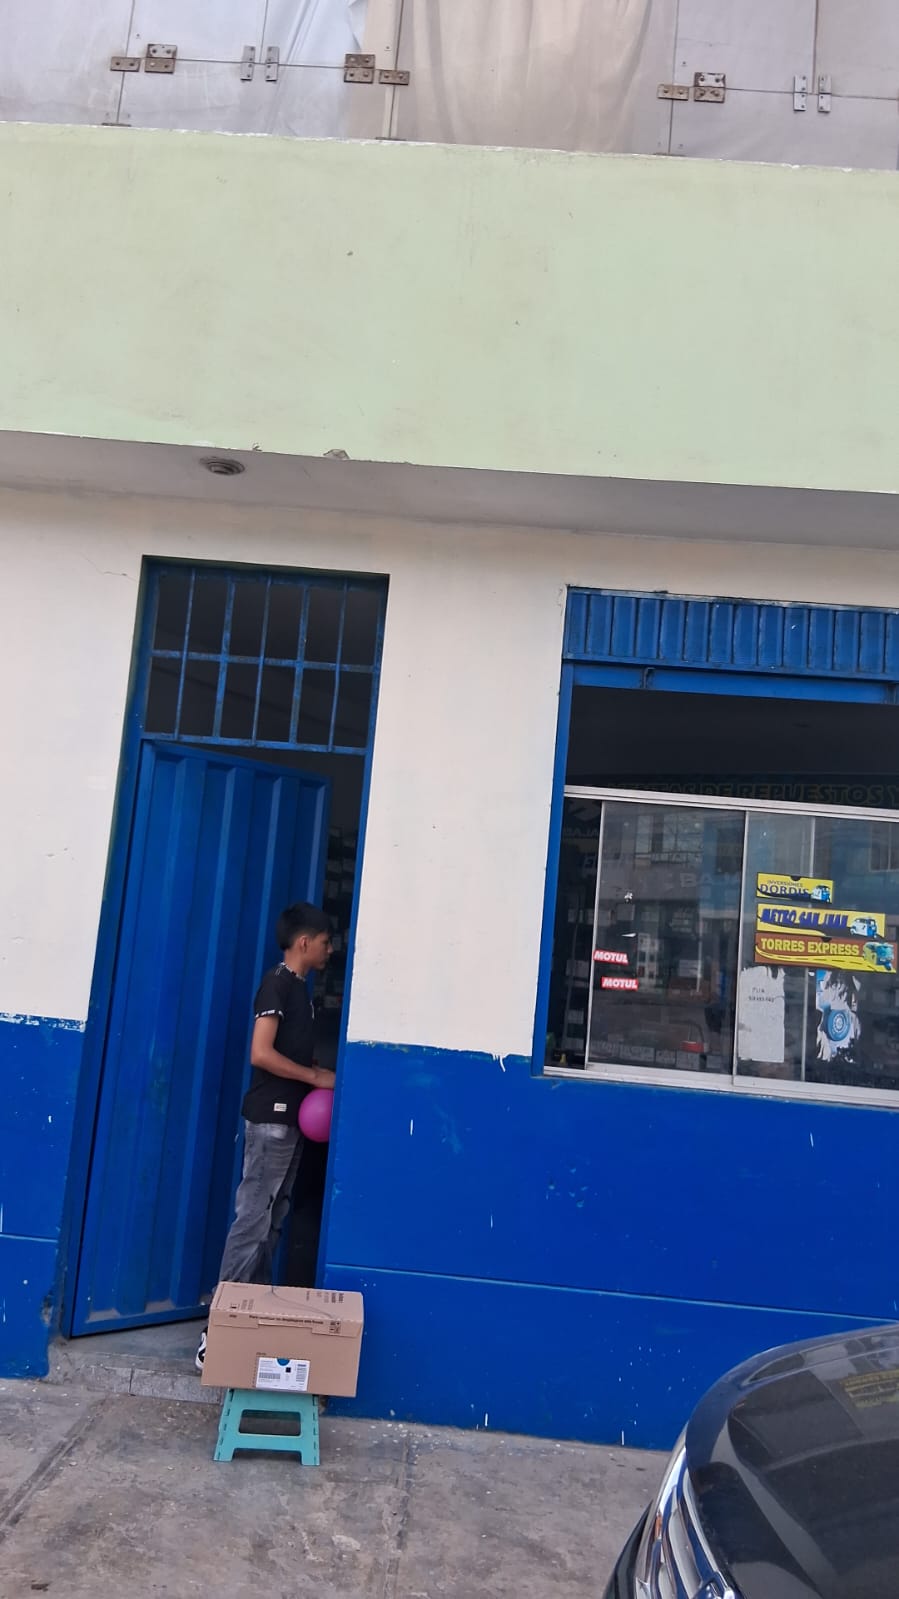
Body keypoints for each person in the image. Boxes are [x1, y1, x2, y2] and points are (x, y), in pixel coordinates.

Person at [195, 902, 336, 1371]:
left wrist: (313, 1072)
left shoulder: (300, 990)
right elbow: (260, 1052)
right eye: (325, 942)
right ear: (304, 942)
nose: (329, 950)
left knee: (272, 1220)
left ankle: (249, 1318)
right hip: (270, 1119)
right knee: (253, 1219)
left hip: (293, 1121)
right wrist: (313, 1077)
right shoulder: (277, 983)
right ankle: (217, 1330)